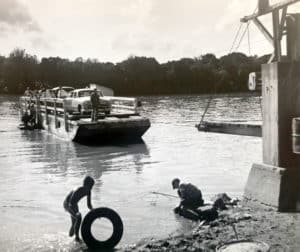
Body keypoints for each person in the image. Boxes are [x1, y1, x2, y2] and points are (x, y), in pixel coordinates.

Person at [63, 176, 95, 242]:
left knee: (74, 223)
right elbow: (70, 203)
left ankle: (70, 236)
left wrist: (93, 210)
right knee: (78, 218)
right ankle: (77, 238)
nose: (91, 188)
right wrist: (75, 214)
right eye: (90, 186)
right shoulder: (78, 190)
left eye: (92, 186)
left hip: (74, 203)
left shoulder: (88, 192)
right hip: (67, 204)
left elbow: (89, 205)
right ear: (85, 185)